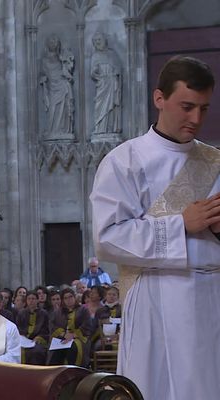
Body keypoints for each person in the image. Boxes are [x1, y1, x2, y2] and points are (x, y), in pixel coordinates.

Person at [90, 55, 220, 400]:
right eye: (187, 106)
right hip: (156, 297)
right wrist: (180, 225)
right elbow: (108, 239)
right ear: (159, 98)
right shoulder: (124, 161)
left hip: (213, 301)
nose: (195, 119)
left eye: (204, 109)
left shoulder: (215, 161)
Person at [39, 34, 75, 138]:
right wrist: (43, 79)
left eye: (55, 42)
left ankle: (63, 131)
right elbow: (43, 73)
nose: (53, 44)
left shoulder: (62, 57)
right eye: (51, 42)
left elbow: (68, 70)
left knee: (63, 109)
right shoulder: (44, 60)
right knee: (52, 109)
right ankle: (52, 130)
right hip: (52, 87)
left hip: (63, 85)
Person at [48, 288, 93, 368]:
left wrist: (73, 335)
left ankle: (74, 371)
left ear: (74, 297)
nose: (69, 300)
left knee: (73, 348)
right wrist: (64, 334)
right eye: (66, 298)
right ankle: (56, 374)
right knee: (55, 352)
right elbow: (53, 326)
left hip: (80, 338)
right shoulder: (58, 312)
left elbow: (87, 325)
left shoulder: (83, 310)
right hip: (62, 338)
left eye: (70, 297)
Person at [90, 31, 122, 135]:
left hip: (111, 83)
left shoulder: (112, 54)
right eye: (95, 41)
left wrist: (115, 74)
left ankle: (110, 128)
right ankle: (100, 128)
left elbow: (118, 69)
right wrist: (97, 73)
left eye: (99, 40)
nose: (97, 42)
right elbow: (92, 72)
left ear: (104, 40)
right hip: (102, 84)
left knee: (112, 106)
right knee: (100, 107)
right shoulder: (95, 56)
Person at [15, 291, 49, 365]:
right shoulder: (21, 313)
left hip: (38, 340)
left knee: (37, 351)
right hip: (23, 339)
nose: (31, 301)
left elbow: (46, 330)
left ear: (37, 300)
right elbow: (18, 328)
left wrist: (39, 337)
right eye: (29, 299)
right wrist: (22, 336)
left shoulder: (44, 313)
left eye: (33, 299)